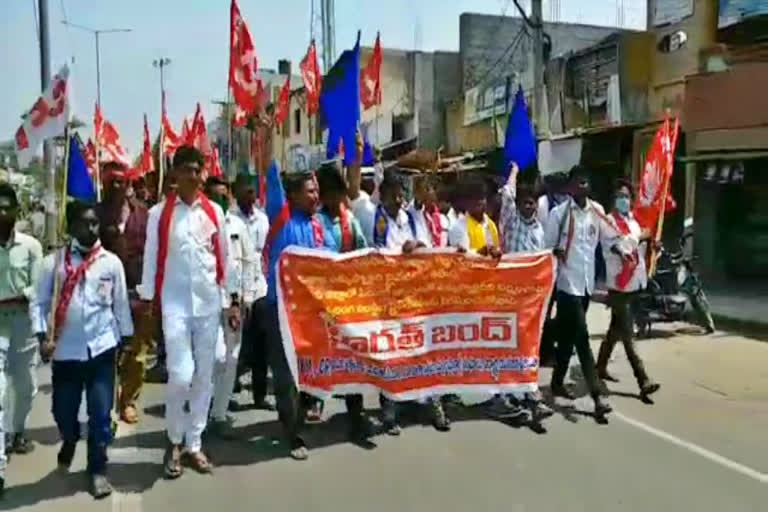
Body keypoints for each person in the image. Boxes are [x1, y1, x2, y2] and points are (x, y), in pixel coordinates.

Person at [138, 146, 238, 478]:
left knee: (204, 376)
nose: (193, 176)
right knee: (181, 374)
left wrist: (232, 301)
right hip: (175, 305)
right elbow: (152, 258)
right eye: (187, 170)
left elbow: (225, 259)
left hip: (208, 305)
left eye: (198, 170)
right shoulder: (160, 215)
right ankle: (174, 439)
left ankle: (194, 442)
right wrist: (148, 301)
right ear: (176, 173)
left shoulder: (214, 212)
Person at [30, 200, 133, 499]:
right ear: (70, 226)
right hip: (65, 352)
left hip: (101, 349)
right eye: (84, 223)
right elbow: (39, 303)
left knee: (101, 414)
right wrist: (41, 336)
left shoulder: (111, 263)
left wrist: (125, 341)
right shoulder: (54, 263)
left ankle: (97, 469)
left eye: (94, 223)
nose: (90, 229)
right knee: (63, 412)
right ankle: (70, 439)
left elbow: (121, 305)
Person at [264, 169, 334, 460]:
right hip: (280, 309)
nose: (316, 196)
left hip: (310, 312)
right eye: (310, 191)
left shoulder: (321, 225)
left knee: (308, 368)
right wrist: (266, 137)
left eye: (317, 190)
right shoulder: (281, 221)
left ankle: (303, 413)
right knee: (285, 374)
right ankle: (292, 433)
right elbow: (272, 179)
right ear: (292, 196)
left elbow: (333, 259)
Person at [373, 172, 451, 434]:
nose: (398, 198)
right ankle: (390, 409)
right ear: (383, 195)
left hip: (417, 296)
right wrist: (400, 253)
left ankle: (433, 403)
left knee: (426, 350)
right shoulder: (377, 218)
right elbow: (378, 254)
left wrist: (416, 245)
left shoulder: (412, 219)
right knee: (393, 353)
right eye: (393, 193)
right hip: (392, 298)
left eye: (401, 193)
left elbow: (427, 249)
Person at [316, 162, 377, 442]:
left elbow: (363, 248)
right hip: (320, 303)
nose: (339, 199)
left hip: (348, 301)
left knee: (352, 356)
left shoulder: (348, 220)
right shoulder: (314, 222)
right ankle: (309, 402)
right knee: (321, 357)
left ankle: (356, 415)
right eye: (334, 194)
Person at [545, 165, 612, 418]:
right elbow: (547, 248)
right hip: (566, 284)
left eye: (586, 182)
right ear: (570, 187)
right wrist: (556, 252)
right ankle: (597, 395)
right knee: (582, 337)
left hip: (586, 283)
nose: (581, 186)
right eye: (577, 182)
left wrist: (626, 247)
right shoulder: (558, 214)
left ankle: (556, 382)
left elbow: (609, 240)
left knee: (567, 334)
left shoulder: (597, 212)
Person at [96, 161, 150, 425]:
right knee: (107, 351)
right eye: (110, 182)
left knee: (137, 352)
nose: (116, 186)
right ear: (103, 183)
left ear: (128, 184)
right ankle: (105, 402)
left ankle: (128, 400)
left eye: (121, 181)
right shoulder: (95, 215)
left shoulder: (144, 214)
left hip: (138, 291)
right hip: (104, 295)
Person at [204, 176, 258, 439]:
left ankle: (219, 414)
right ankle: (203, 406)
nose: (220, 201)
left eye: (224, 197)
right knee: (214, 357)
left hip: (234, 303)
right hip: (206, 303)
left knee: (232, 358)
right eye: (215, 196)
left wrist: (247, 296)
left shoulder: (236, 224)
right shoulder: (199, 225)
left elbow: (249, 262)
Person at [596, 179, 660, 399]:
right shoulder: (608, 223)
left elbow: (638, 250)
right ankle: (643, 379)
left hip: (634, 283)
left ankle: (599, 367)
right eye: (619, 196)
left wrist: (652, 245)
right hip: (618, 285)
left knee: (616, 329)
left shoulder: (633, 221)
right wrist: (640, 237)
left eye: (626, 196)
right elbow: (619, 246)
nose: (623, 199)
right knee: (627, 333)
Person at [0, 184, 42, 497]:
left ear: (16, 211)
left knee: (25, 386)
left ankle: (16, 432)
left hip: (24, 326)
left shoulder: (30, 246)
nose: (2, 213)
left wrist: (20, 297)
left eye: (7, 207)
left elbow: (38, 287)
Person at [230, 173, 273, 411]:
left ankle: (259, 395)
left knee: (261, 343)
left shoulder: (263, 220)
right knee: (237, 343)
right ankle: (230, 391)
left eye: (252, 190)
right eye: (245, 190)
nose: (250, 195)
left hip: (260, 288)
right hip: (237, 289)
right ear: (236, 193)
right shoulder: (230, 220)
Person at [448, 177, 501, 257]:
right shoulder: (457, 228)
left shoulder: (491, 225)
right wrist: (481, 252)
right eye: (474, 198)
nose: (478, 202)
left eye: (481, 197)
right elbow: (461, 257)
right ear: (465, 202)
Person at [499, 162, 544, 254]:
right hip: (510, 267)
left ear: (536, 205)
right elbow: (507, 194)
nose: (527, 206)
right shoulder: (512, 219)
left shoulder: (539, 230)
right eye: (524, 203)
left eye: (530, 203)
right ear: (518, 204)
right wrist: (514, 172)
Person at [408, 175, 446, 248]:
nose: (431, 193)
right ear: (416, 191)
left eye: (431, 189)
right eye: (427, 189)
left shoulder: (426, 215)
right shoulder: (408, 215)